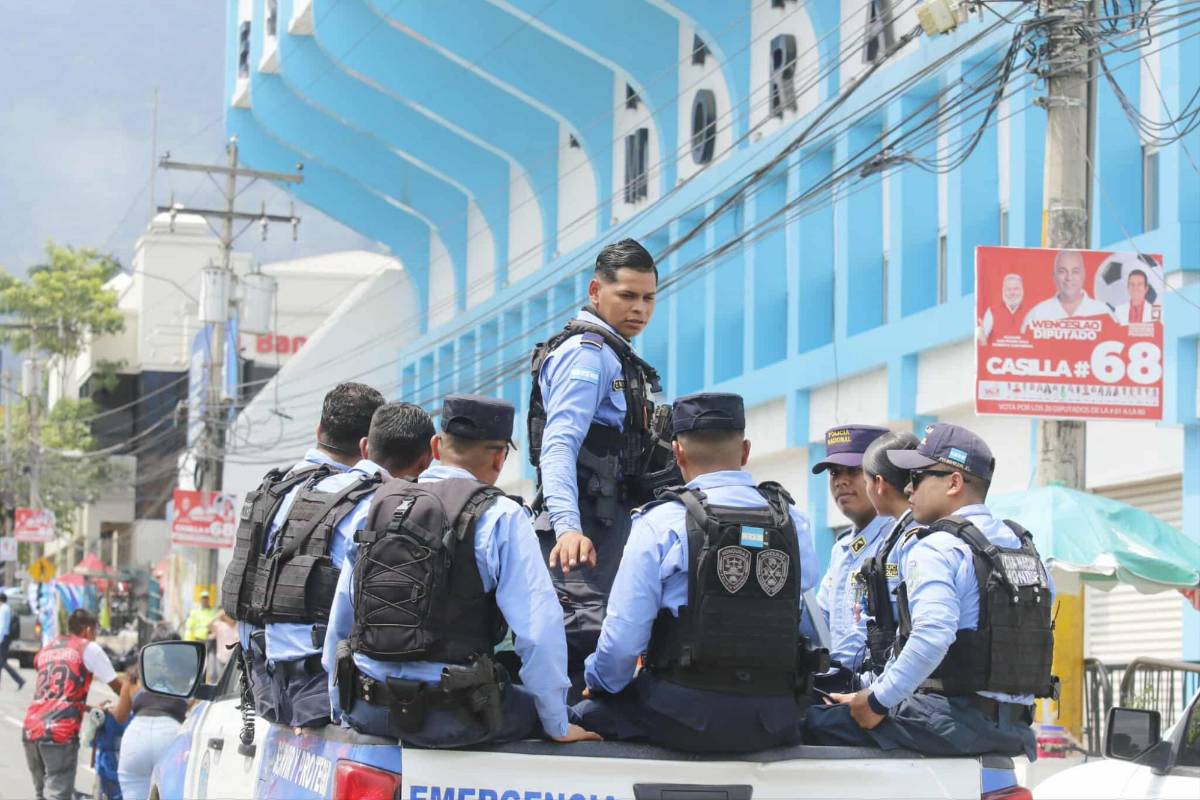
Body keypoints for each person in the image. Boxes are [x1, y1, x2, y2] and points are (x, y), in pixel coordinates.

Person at [327, 394, 599, 747]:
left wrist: (340, 709)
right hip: (453, 716)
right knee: (550, 711)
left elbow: (341, 621)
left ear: (436, 446)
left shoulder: (375, 506)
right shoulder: (501, 515)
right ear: (500, 457)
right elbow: (539, 633)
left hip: (369, 709)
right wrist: (557, 724)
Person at [572, 393, 821, 753]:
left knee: (582, 716)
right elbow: (806, 610)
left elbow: (623, 643)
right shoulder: (792, 522)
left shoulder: (660, 522)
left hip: (680, 717)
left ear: (677, 453)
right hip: (774, 720)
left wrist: (599, 682)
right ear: (745, 451)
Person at [805, 423, 1056, 759]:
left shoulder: (938, 546)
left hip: (951, 722)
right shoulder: (1024, 549)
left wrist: (876, 701)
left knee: (807, 722)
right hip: (1016, 730)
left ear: (954, 483)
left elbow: (931, 635)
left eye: (919, 477)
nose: (908, 488)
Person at [527, 238, 674, 693]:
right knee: (582, 646)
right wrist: (568, 529)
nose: (640, 309)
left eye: (648, 298)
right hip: (581, 537)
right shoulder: (587, 355)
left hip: (608, 529)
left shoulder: (616, 354)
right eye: (627, 295)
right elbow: (559, 445)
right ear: (596, 291)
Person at [260, 400, 436, 729]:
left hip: (271, 680)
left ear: (366, 447)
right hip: (324, 685)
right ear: (428, 458)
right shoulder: (387, 509)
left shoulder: (299, 490)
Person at [220, 382, 384, 724]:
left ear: (318, 431)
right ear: (368, 445)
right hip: (319, 689)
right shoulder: (367, 504)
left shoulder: (271, 491)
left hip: (262, 683)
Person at [810, 425, 891, 690]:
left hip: (879, 694)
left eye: (854, 470)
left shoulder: (895, 543)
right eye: (834, 473)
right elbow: (819, 622)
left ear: (880, 477)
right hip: (843, 686)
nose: (840, 481)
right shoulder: (842, 549)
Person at [23, 609, 125, 800]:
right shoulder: (88, 648)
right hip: (59, 733)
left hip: (31, 728)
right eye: (95, 632)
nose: (95, 636)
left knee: (41, 794)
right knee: (57, 795)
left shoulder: (48, 647)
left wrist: (91, 708)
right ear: (88, 630)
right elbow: (119, 687)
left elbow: (55, 695)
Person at [856, 431, 921, 676]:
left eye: (866, 482)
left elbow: (907, 625)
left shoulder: (910, 538)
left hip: (903, 679)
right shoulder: (899, 534)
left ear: (879, 483)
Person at [111, 664, 188, 800]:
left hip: (136, 737)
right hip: (170, 736)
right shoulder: (183, 676)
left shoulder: (134, 676)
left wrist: (112, 709)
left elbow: (120, 716)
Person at [1021, 249, 1113, 331]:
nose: (1069, 278)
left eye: (1075, 272)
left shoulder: (1103, 312)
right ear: (1054, 276)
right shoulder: (1037, 314)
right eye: (1062, 271)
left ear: (1083, 275)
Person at [979, 274, 1027, 346]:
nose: (1012, 293)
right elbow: (983, 344)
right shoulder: (991, 312)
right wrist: (981, 336)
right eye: (1008, 289)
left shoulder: (1033, 312)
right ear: (1003, 291)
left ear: (1022, 290)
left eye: (1016, 289)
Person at [0, 591, 27, 689]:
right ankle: (20, 680)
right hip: (5, 637)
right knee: (1, 661)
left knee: (2, 662)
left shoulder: (3, 609)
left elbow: (2, 626)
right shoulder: (7, 608)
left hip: (3, 638)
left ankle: (20, 680)